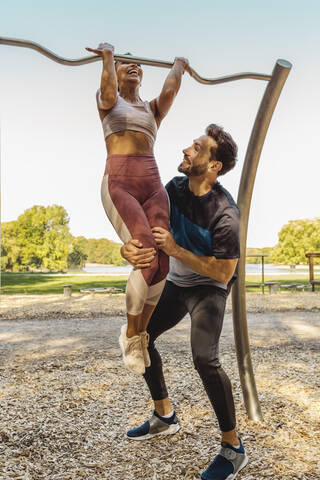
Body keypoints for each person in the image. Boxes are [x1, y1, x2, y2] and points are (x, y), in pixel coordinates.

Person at [120, 124, 248, 480]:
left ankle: (232, 448)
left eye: (196, 147)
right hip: (176, 282)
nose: (186, 150)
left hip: (209, 288)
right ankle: (164, 416)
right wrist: (127, 246)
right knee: (138, 337)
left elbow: (223, 273)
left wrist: (176, 249)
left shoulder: (225, 213)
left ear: (213, 165)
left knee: (205, 359)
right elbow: (142, 224)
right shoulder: (174, 188)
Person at [86, 42, 190, 375]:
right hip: (120, 183)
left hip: (152, 184)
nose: (133, 66)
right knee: (144, 250)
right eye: (125, 64)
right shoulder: (109, 101)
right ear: (115, 73)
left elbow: (171, 91)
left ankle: (140, 334)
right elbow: (105, 88)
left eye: (137, 65)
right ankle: (130, 334)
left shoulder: (152, 109)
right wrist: (106, 57)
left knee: (162, 258)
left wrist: (179, 64)